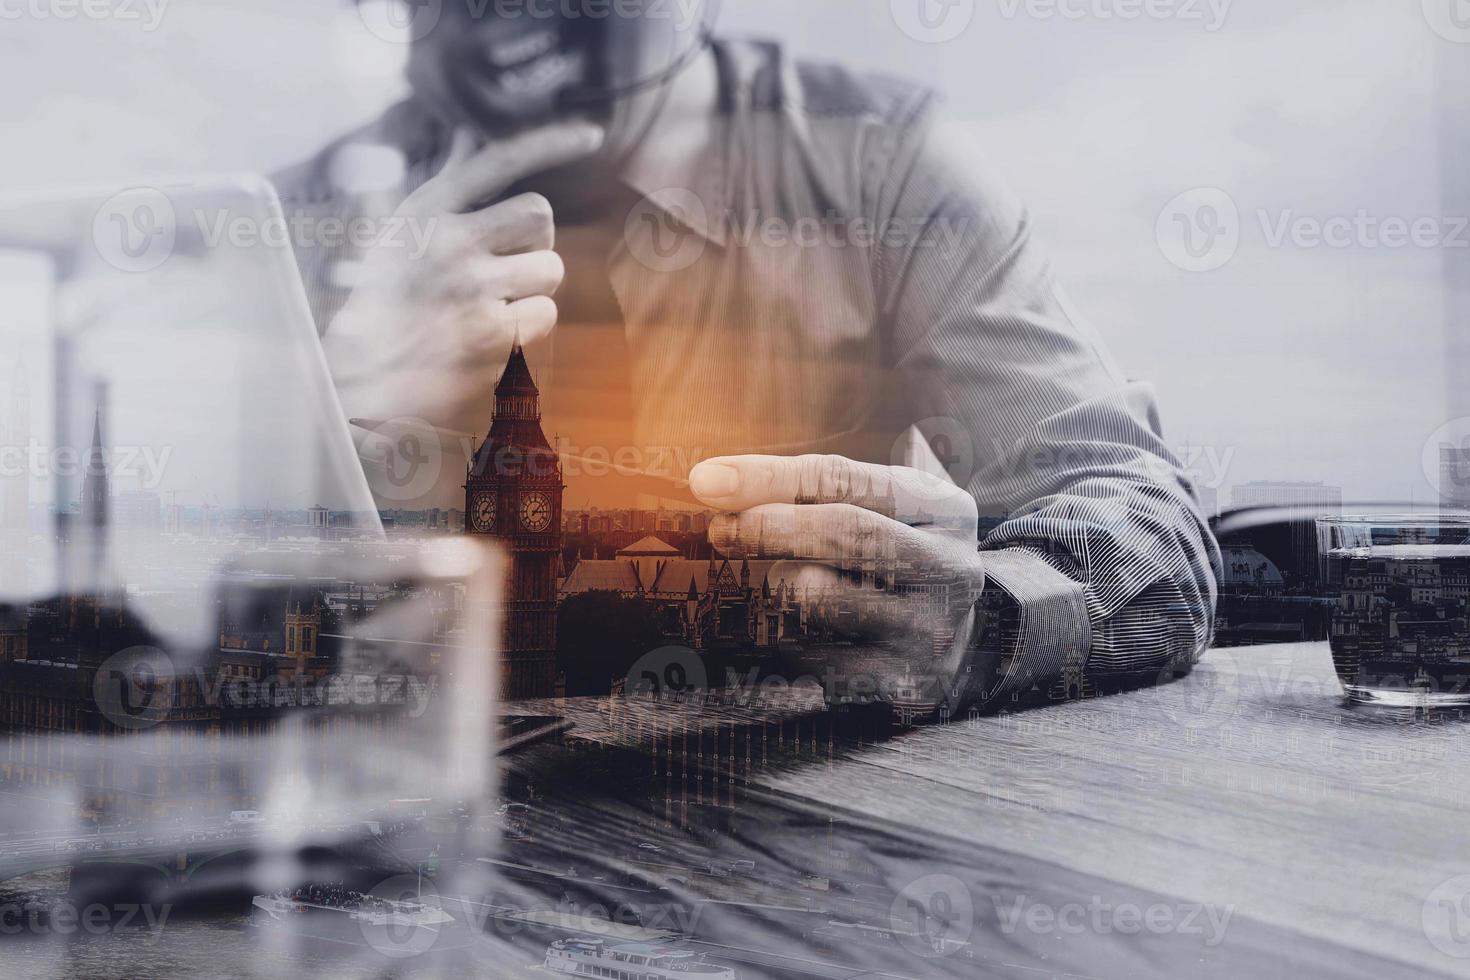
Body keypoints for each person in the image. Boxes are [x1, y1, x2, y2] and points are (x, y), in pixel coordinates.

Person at [274, 0, 1220, 716]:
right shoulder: (293, 222)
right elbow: (163, 627)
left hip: (789, 827)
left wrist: (984, 623)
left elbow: (1146, 515)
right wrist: (339, 401)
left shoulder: (879, 165)